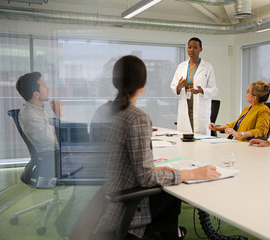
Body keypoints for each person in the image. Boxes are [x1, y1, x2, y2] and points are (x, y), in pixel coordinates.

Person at [89, 55, 221, 239]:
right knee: (174, 189)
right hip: (123, 203)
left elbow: (115, 159)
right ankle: (164, 233)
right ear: (143, 86)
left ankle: (167, 232)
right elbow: (146, 178)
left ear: (115, 82)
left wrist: (157, 168)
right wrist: (192, 174)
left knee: (169, 179)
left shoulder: (101, 111)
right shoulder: (136, 118)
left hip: (103, 196)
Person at [170, 37, 218, 135]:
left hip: (200, 109)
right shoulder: (181, 66)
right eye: (189, 47)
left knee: (201, 142)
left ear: (200, 49)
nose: (192, 50)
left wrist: (201, 91)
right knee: (184, 139)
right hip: (185, 107)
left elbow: (214, 90)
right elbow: (174, 86)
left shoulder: (207, 67)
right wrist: (179, 86)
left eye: (195, 47)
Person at [16, 72, 62, 152]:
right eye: (44, 86)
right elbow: (57, 143)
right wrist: (59, 116)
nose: (48, 88)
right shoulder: (31, 117)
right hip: (52, 158)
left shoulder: (36, 110)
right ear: (36, 94)